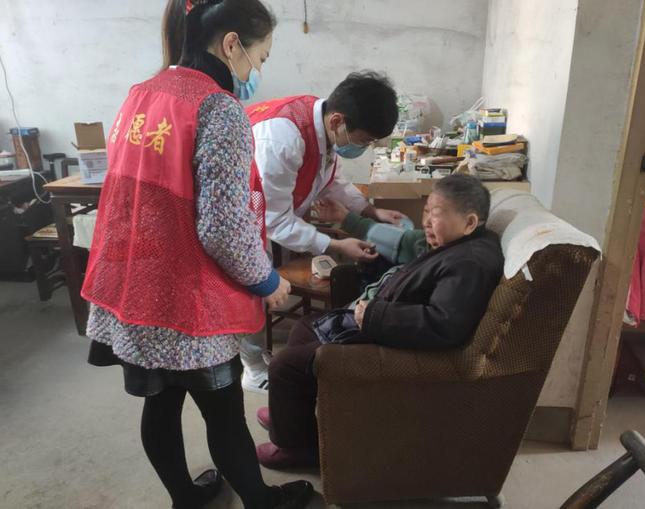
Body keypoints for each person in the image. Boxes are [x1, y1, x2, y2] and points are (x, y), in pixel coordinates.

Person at [81, 1, 313, 507]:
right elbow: (223, 227)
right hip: (186, 302)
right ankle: (261, 502)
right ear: (232, 45)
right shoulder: (218, 108)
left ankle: (185, 499)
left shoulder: (142, 93)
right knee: (224, 412)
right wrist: (268, 281)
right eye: (261, 57)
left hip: (133, 285)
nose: (256, 71)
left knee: (160, 405)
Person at [254, 175, 505, 469]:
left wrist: (375, 315)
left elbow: (443, 323)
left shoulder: (470, 263)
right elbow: (405, 248)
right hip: (383, 320)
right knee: (305, 326)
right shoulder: (453, 244)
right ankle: (293, 416)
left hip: (389, 340)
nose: (426, 221)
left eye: (435, 214)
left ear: (470, 222)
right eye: (425, 211)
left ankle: (295, 448)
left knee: (284, 366)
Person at [239, 71, 406, 393]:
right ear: (338, 121)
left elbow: (333, 181)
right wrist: (338, 245)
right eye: (364, 141)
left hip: (268, 212)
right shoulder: (283, 139)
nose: (364, 147)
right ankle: (253, 369)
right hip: (248, 219)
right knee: (254, 290)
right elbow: (275, 221)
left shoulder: (323, 122)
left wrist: (371, 211)